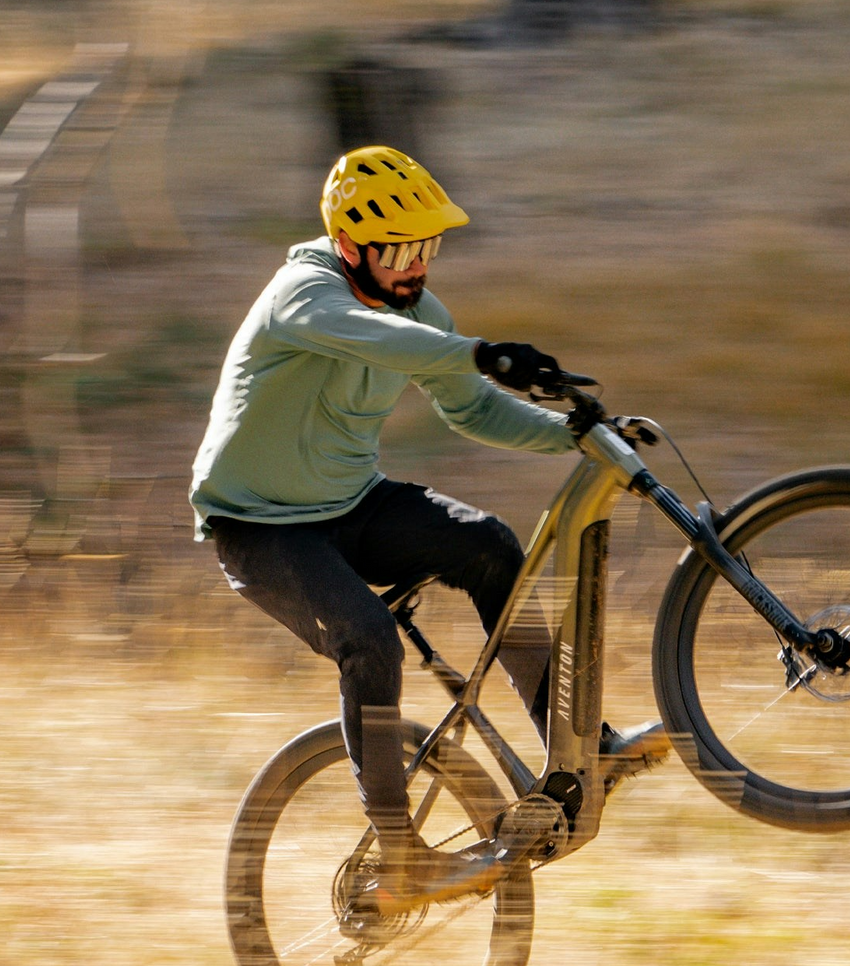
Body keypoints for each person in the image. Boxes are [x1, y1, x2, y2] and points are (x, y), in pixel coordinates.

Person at [190, 145, 666, 913]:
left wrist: (579, 432)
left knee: (489, 543)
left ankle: (582, 746)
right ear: (349, 246)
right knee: (368, 636)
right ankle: (399, 856)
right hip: (259, 529)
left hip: (350, 505)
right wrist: (479, 352)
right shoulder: (302, 295)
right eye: (402, 249)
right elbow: (376, 339)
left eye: (428, 248)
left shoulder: (421, 315)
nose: (418, 267)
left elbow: (471, 406)